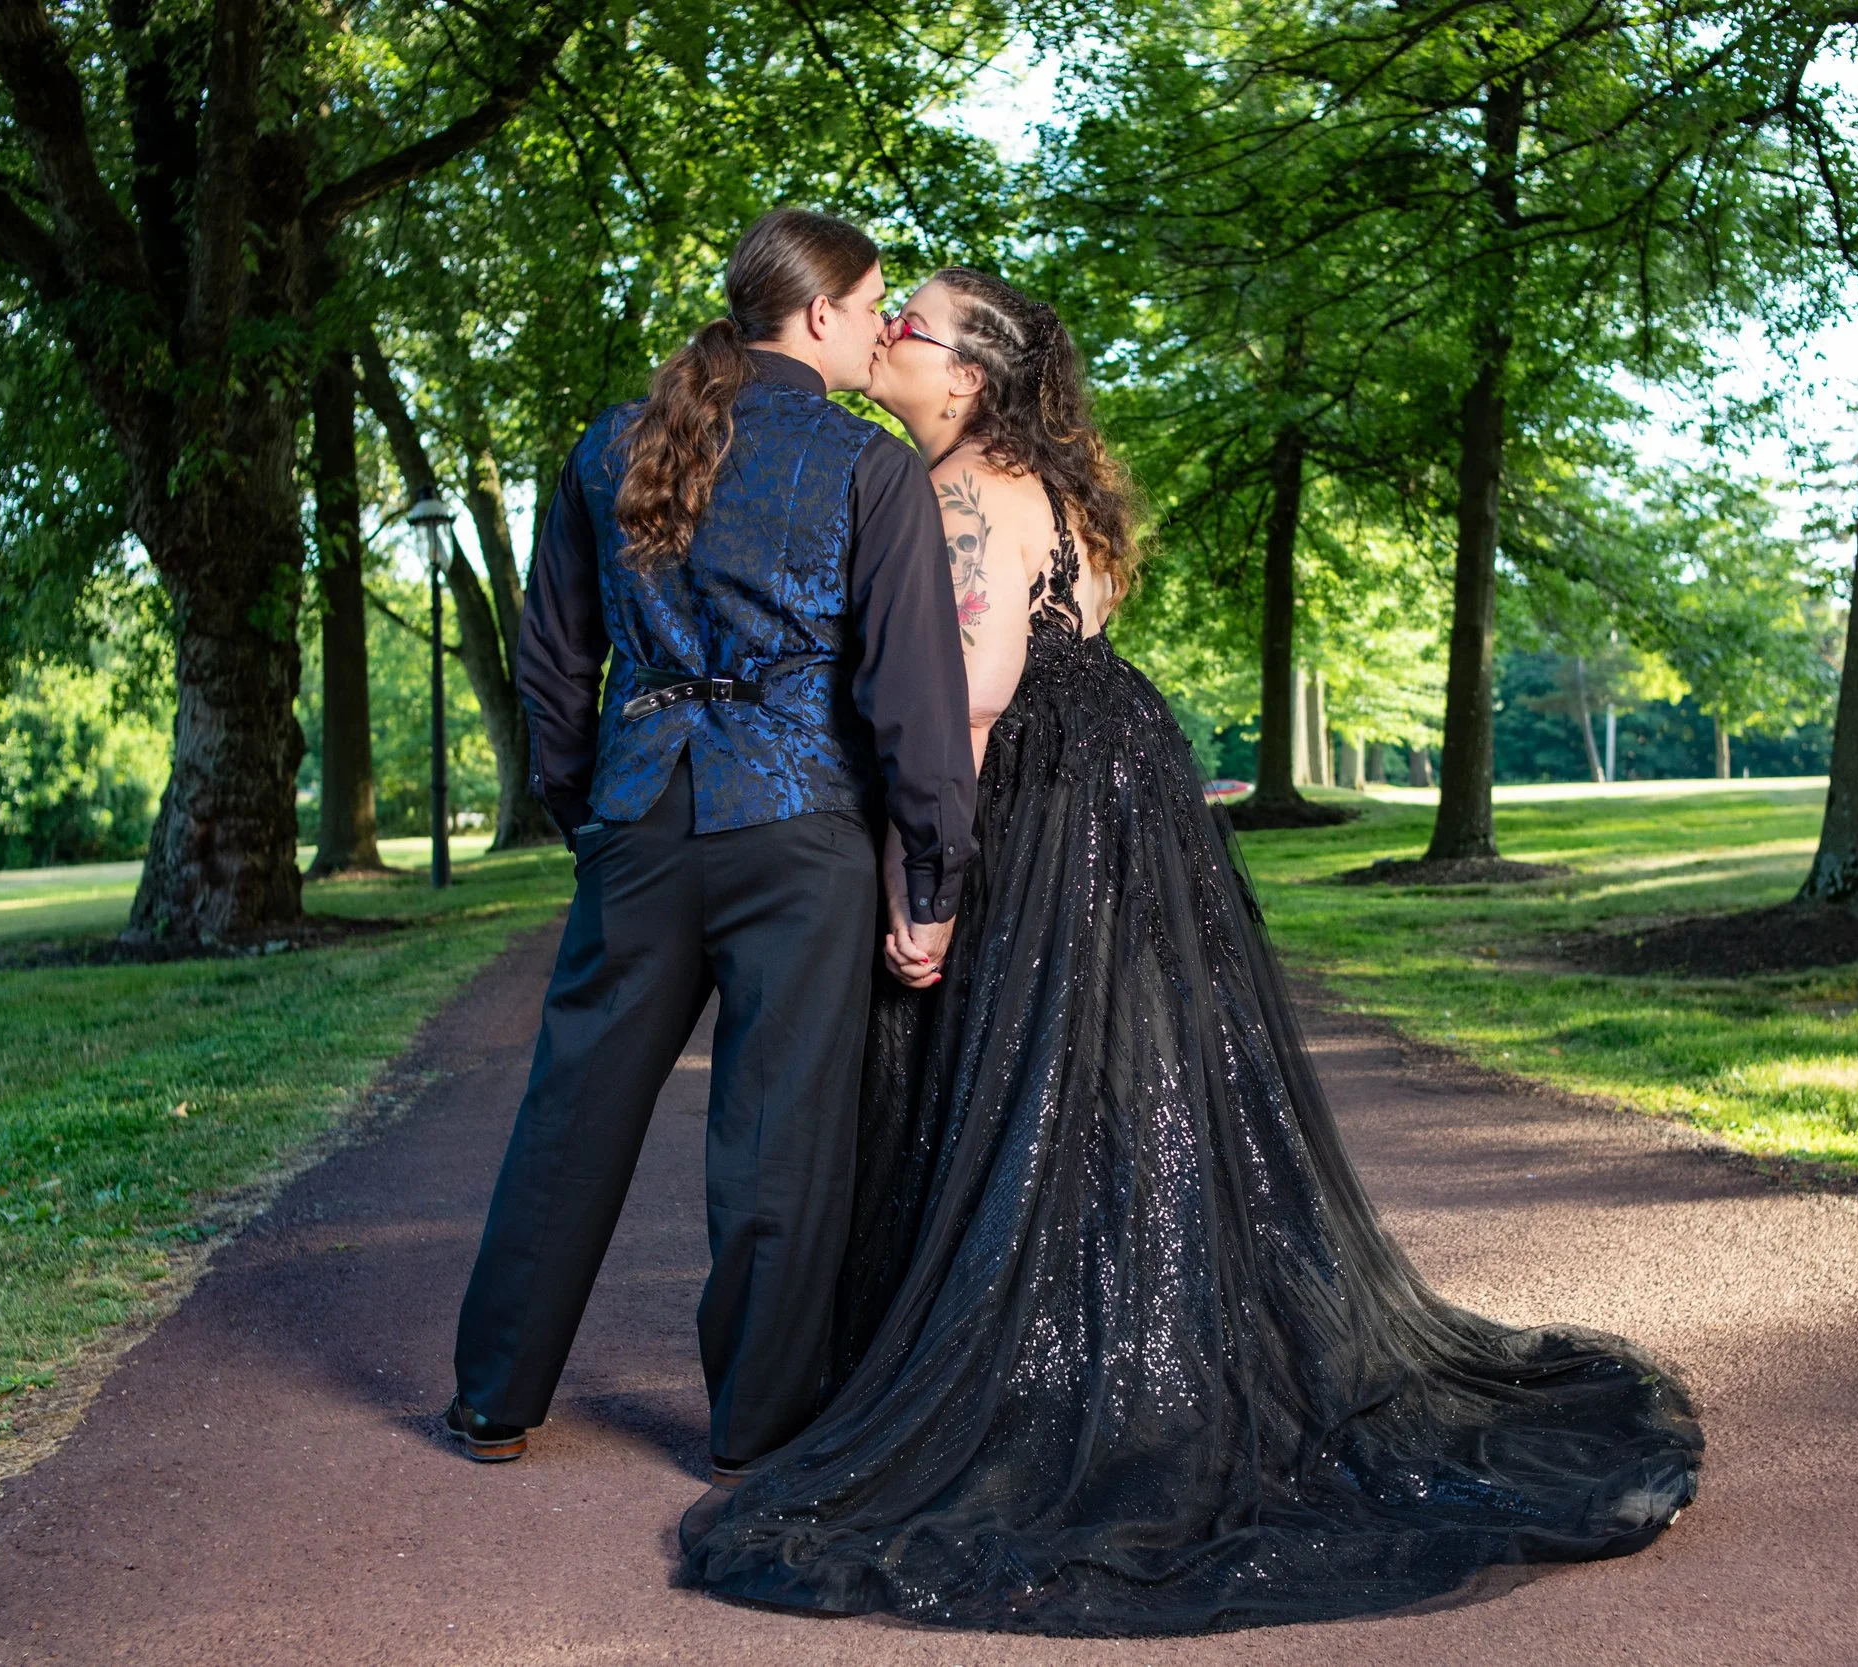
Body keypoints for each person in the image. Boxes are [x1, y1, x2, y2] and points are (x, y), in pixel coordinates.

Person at [676, 268, 1704, 1636]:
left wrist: (921, 881)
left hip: (1041, 797)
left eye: (912, 325)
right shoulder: (1056, 483)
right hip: (1123, 791)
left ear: (970, 375)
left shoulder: (960, 489)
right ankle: (1138, 1349)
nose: (891, 337)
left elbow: (972, 697)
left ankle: (1061, 1380)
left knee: (1022, 1086)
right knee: (1107, 1086)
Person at [443, 211, 979, 1544]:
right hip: (800, 830)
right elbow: (911, 703)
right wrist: (937, 870)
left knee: (571, 1111)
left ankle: (494, 1399)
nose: (880, 333)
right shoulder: (869, 468)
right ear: (814, 316)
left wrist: (594, 811)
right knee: (778, 1131)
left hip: (642, 815)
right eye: (869, 311)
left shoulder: (608, 445)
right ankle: (753, 1430)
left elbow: (553, 675)